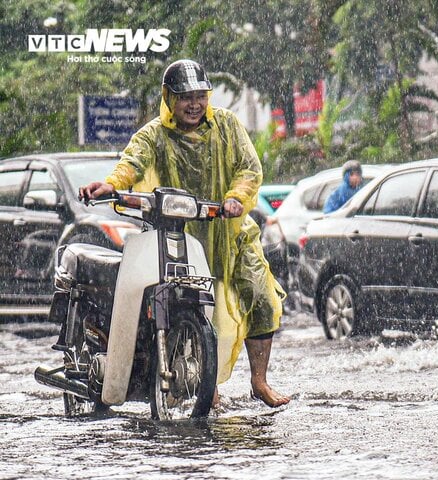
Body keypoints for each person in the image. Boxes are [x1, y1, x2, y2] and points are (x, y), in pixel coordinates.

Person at [79, 59, 291, 407]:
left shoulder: (227, 124)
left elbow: (249, 167)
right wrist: (111, 184)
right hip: (181, 237)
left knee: (263, 299)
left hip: (232, 232)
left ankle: (259, 381)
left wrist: (236, 198)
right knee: (193, 308)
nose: (194, 104)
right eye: (185, 97)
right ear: (169, 98)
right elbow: (132, 162)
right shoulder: (154, 134)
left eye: (200, 96)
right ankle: (206, 385)